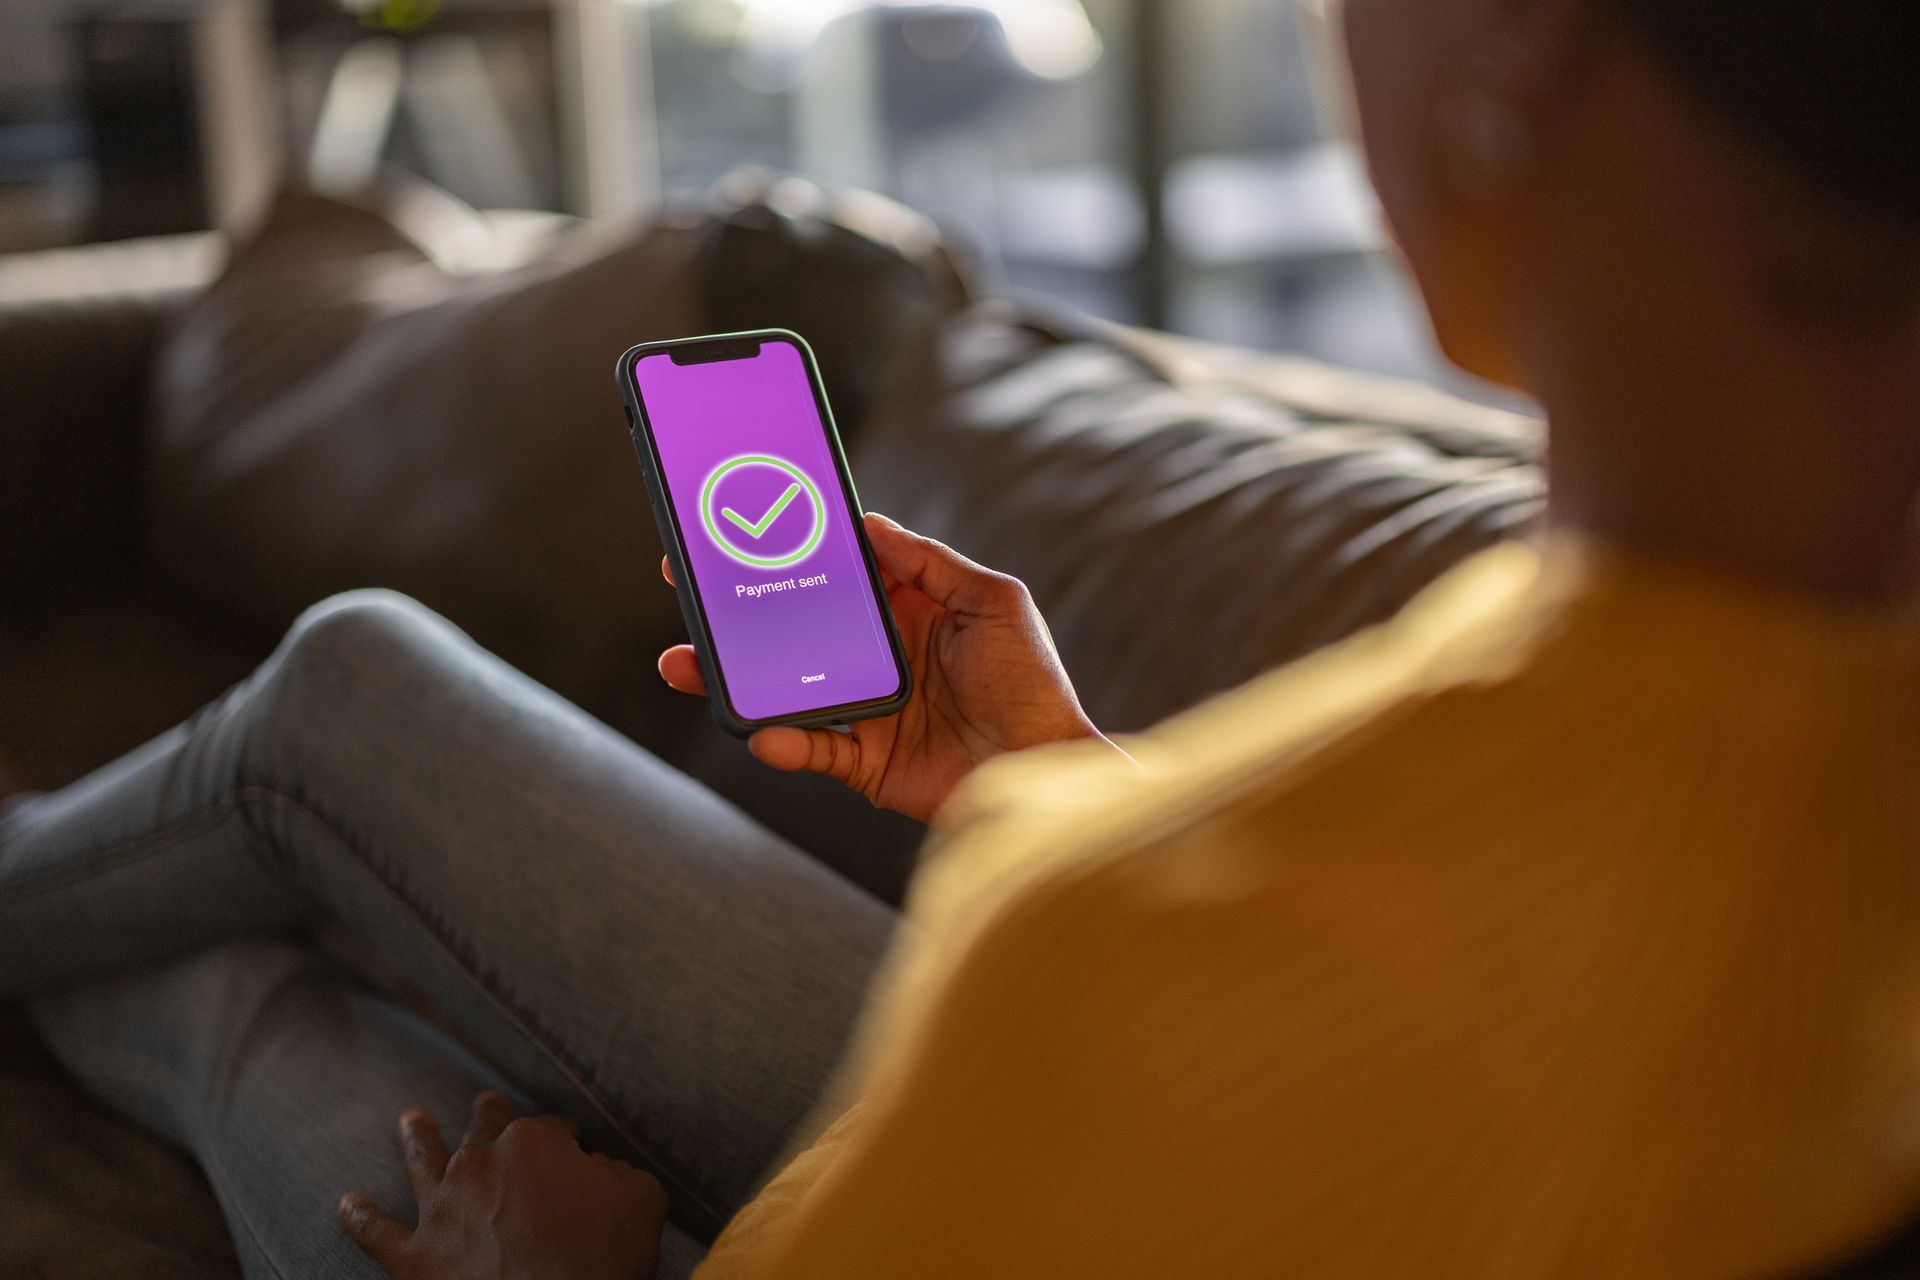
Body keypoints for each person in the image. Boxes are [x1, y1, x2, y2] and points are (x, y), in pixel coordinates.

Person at [3, 0, 1917, 1275]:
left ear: (1519, 65)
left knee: (250, 1012)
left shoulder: (1132, 973)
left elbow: (1309, 1003)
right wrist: (1061, 786)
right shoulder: (1725, 680)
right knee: (347, 682)